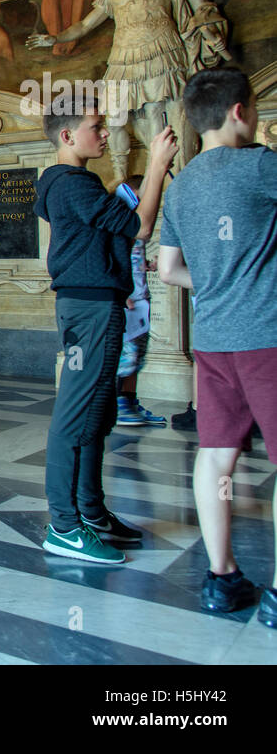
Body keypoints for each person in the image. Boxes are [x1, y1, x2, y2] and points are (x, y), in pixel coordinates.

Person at [156, 68, 277, 626]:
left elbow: (169, 271)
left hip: (214, 339)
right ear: (239, 111)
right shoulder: (261, 165)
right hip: (268, 337)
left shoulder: (180, 187)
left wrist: (218, 278)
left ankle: (221, 577)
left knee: (217, 454)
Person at [33, 105, 177, 564]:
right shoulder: (71, 183)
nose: (104, 135)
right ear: (67, 135)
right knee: (75, 415)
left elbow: (118, 222)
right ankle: (64, 526)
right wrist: (156, 165)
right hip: (89, 306)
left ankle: (91, 513)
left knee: (97, 411)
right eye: (95, 128)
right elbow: (141, 227)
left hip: (99, 301)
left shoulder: (76, 184)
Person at [112, 175, 167, 427]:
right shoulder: (118, 225)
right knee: (126, 357)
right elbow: (112, 258)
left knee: (138, 354)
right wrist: (122, 292)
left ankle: (129, 402)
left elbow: (132, 258)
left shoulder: (135, 228)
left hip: (140, 298)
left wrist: (146, 265)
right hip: (129, 300)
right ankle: (116, 405)